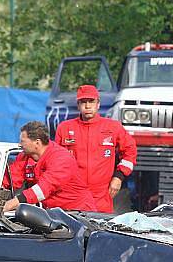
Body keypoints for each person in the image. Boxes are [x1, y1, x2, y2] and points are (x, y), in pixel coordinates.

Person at [55, 84, 137, 213]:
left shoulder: (113, 127)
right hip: (71, 196)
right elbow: (55, 161)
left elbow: (130, 152)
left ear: (98, 104)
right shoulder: (64, 128)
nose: (88, 106)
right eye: (83, 102)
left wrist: (118, 177)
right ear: (78, 105)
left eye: (91, 101)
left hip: (102, 196)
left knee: (100, 231)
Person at [2, 121, 96, 212]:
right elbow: (10, 177)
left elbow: (44, 188)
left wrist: (12, 203)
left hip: (78, 212)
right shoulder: (25, 156)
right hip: (54, 212)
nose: (19, 144)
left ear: (37, 143)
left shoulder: (61, 158)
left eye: (22, 141)